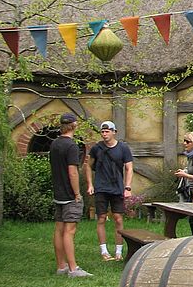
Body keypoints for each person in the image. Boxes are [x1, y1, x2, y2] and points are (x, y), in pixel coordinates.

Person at [50, 112, 91, 278]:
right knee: (69, 231)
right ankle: (73, 269)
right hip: (69, 195)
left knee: (59, 229)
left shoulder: (54, 144)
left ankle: (61, 266)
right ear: (74, 125)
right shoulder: (72, 146)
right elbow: (73, 172)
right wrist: (77, 194)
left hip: (58, 193)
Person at [85, 121, 134, 262]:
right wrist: (90, 184)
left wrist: (128, 187)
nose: (105, 134)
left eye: (107, 131)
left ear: (114, 132)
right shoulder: (96, 148)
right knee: (101, 218)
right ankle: (104, 251)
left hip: (117, 187)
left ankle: (119, 252)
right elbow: (88, 166)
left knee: (118, 218)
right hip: (101, 187)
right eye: (103, 131)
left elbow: (129, 168)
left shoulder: (123, 148)